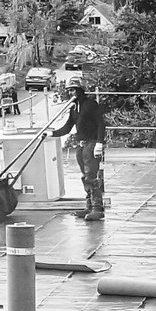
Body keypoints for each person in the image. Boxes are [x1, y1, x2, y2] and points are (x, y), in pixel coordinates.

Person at [49, 83, 107, 221]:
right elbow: (68, 127)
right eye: (69, 90)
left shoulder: (91, 104)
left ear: (80, 90)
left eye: (73, 90)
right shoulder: (74, 108)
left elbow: (101, 123)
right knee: (84, 176)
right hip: (81, 145)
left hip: (92, 143)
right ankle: (89, 206)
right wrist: (52, 134)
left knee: (91, 176)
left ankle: (97, 209)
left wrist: (100, 142)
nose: (71, 93)